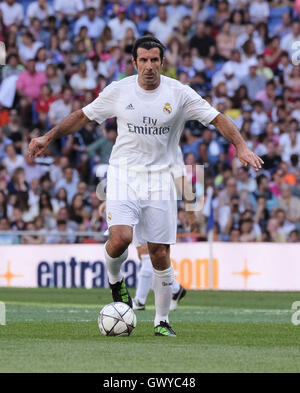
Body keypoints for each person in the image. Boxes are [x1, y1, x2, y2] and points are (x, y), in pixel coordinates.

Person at [28, 36, 263, 337]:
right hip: (124, 174)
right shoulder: (119, 90)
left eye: (155, 60)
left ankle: (161, 321)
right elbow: (82, 117)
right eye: (144, 60)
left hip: (161, 180)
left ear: (162, 63)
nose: (149, 66)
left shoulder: (180, 94)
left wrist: (241, 147)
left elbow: (218, 119)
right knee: (121, 238)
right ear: (134, 62)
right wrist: (48, 137)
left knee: (159, 254)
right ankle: (116, 282)